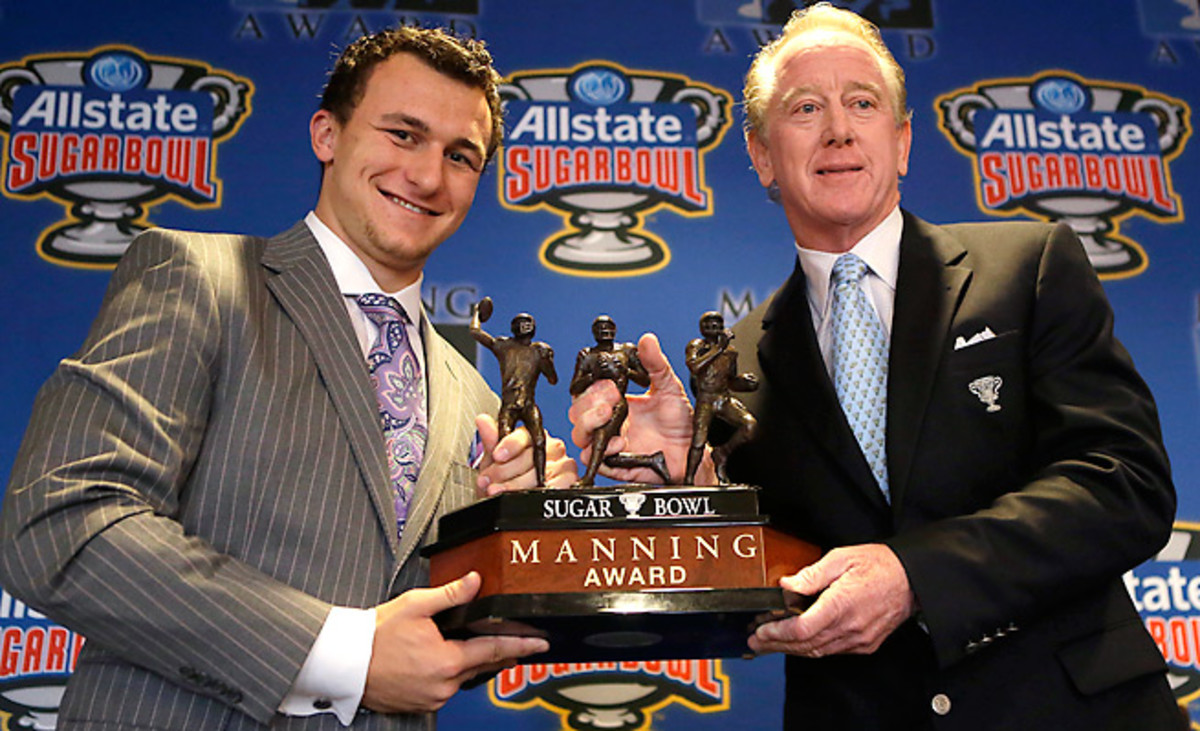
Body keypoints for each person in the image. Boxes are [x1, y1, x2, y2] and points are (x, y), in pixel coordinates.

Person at [568, 4, 1179, 729]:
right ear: (762, 156)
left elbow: (1125, 485)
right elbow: (772, 578)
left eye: (863, 102)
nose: (839, 128)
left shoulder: (1030, 265)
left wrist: (915, 575)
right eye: (805, 108)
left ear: (903, 138)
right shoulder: (741, 359)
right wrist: (696, 481)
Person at [0, 26, 577, 731]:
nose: (429, 176)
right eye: (402, 134)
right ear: (327, 135)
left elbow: (434, 630)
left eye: (461, 156)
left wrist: (521, 538)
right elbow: (60, 520)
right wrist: (344, 654)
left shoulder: (476, 396)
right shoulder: (199, 279)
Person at [569, 315, 669, 485]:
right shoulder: (586, 355)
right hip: (598, 406)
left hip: (618, 405)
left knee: (601, 439)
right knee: (609, 459)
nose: (604, 331)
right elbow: (574, 387)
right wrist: (593, 375)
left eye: (608, 327)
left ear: (615, 329)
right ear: (593, 332)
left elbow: (644, 380)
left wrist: (626, 370)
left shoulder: (626, 350)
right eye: (600, 328)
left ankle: (588, 479)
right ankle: (652, 460)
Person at [469, 296, 558, 486]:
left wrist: (548, 360)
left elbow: (552, 379)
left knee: (540, 441)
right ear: (512, 328)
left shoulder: (538, 351)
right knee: (504, 444)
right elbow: (475, 332)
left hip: (528, 404)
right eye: (519, 323)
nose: (524, 326)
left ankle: (542, 483)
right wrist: (477, 313)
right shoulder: (504, 346)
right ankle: (505, 484)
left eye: (528, 323)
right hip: (509, 405)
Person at [683, 311, 758, 485]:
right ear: (701, 328)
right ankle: (688, 480)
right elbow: (694, 367)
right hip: (705, 400)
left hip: (723, 398)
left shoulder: (730, 352)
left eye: (716, 324)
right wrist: (718, 349)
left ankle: (722, 453)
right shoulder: (697, 346)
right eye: (708, 324)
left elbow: (730, 381)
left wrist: (745, 383)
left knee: (750, 426)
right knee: (698, 442)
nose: (712, 327)